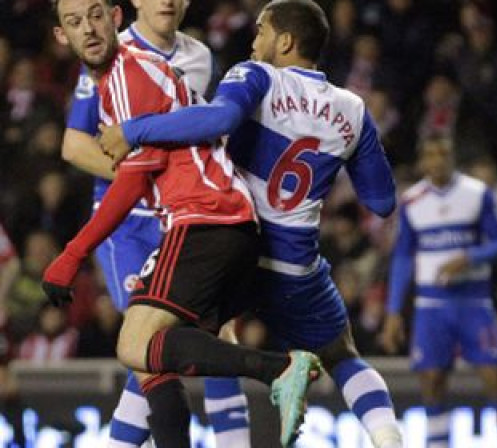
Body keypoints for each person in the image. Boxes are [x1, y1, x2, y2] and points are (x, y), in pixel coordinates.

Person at [96, 1, 404, 446]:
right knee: (341, 353)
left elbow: (220, 118)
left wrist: (135, 130)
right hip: (297, 269)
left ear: (285, 41)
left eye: (262, 31)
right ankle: (388, 436)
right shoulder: (353, 108)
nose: (254, 41)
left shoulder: (257, 75)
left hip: (233, 249)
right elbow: (382, 201)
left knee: (151, 343)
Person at [46, 1, 320, 447]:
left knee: (135, 345)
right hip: (218, 220)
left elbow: (136, 177)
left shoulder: (128, 73)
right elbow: (92, 150)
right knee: (153, 359)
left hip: (203, 219)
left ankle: (281, 368)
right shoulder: (126, 74)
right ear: (62, 37)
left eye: (95, 16)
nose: (88, 29)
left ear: (115, 18)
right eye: (75, 23)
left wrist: (73, 253)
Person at [59, 0, 252, 445]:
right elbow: (74, 145)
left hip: (184, 217)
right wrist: (144, 178)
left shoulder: (200, 56)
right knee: (149, 344)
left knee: (210, 334)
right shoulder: (110, 51)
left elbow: (207, 135)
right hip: (129, 224)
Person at [380, 135, 497, 448]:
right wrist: (393, 312)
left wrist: (469, 257)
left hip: (474, 301)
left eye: (443, 154)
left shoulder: (477, 193)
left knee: (496, 378)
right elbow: (403, 256)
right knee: (431, 382)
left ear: (452, 157)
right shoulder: (412, 201)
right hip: (431, 305)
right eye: (431, 155)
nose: (437, 161)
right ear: (422, 161)